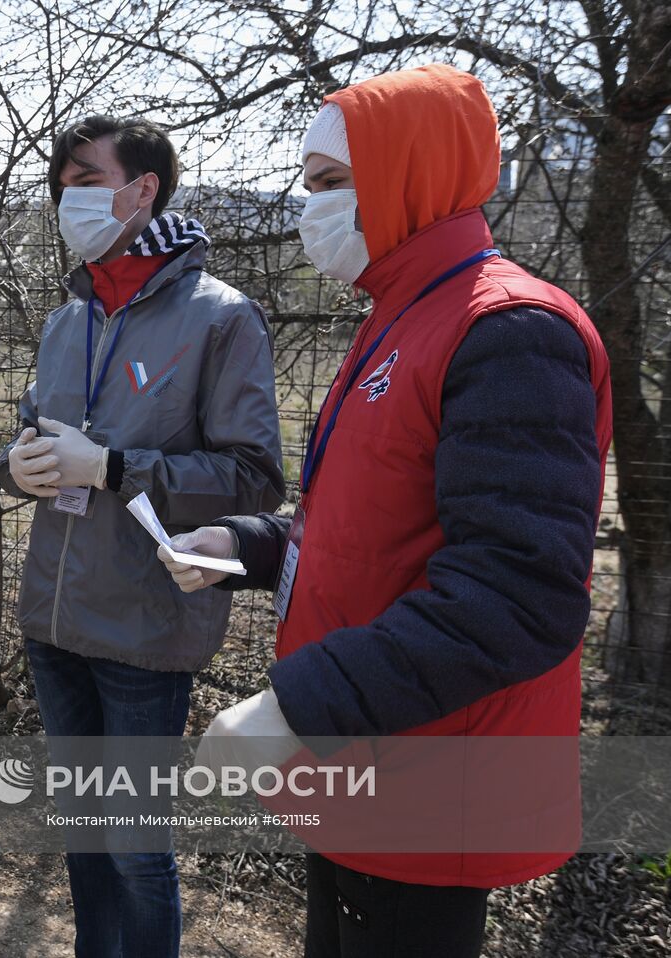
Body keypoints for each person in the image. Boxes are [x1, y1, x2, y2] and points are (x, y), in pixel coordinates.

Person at [160, 64, 612, 958]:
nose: (309, 206)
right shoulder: (404, 317)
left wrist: (297, 707)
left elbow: (519, 594)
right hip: (369, 755)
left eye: (331, 184)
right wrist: (247, 545)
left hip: (431, 774)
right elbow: (377, 525)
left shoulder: (510, 332)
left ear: (409, 175)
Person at [0, 115, 285, 957]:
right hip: (54, 620)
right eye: (62, 185)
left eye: (85, 180)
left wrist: (117, 467)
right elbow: (33, 436)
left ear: (143, 189)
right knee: (84, 831)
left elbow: (255, 478)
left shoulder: (222, 318)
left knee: (133, 845)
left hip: (145, 628)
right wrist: (21, 466)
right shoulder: (64, 321)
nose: (66, 199)